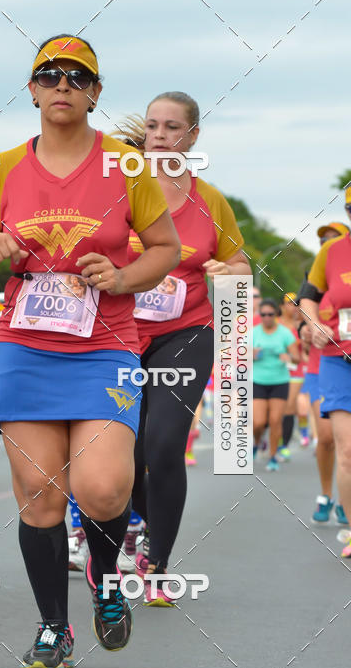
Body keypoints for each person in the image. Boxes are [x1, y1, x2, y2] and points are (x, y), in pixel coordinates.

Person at [0, 34, 180, 668]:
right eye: (50, 76)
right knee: (40, 494)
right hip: (25, 347)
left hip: (103, 346)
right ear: (32, 90)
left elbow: (166, 249)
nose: (63, 86)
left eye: (77, 78)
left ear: (94, 93)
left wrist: (123, 276)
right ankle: (54, 627)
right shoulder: (3, 168)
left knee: (104, 490)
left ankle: (106, 582)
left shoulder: (125, 166)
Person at [115, 92, 250, 606]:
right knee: (125, 452)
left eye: (172, 127)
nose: (159, 135)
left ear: (192, 137)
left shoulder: (209, 200)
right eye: (152, 125)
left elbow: (240, 267)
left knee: (164, 444)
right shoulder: (117, 187)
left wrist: (226, 271)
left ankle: (157, 564)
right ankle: (140, 521)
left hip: (186, 334)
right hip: (117, 333)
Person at [300, 223, 351, 551]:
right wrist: (312, 326)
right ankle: (330, 498)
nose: (326, 242)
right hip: (334, 360)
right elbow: (306, 300)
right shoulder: (330, 257)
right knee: (339, 445)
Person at [253, 299, 299, 471]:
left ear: (275, 315)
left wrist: (289, 357)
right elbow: (240, 356)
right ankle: (257, 442)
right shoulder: (253, 333)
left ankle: (272, 457)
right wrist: (250, 354)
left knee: (275, 420)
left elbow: (297, 358)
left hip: (279, 381)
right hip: (257, 381)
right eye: (263, 314)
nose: (266, 317)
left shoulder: (285, 333)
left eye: (270, 314)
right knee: (258, 422)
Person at [277, 293, 307, 459]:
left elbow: (307, 351)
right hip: (274, 370)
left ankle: (284, 445)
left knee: (288, 407)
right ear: (282, 306)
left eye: (296, 304)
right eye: (290, 303)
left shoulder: (301, 325)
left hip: (295, 371)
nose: (293, 307)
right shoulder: (275, 323)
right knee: (274, 409)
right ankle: (272, 438)